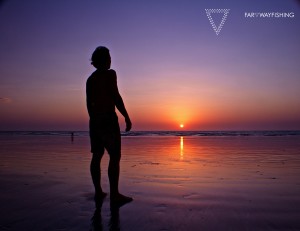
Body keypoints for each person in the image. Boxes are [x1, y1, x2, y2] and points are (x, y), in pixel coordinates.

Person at [86, 46, 133, 205]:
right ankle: (114, 194)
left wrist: (94, 121)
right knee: (114, 156)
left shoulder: (90, 79)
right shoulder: (110, 74)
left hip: (95, 121)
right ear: (104, 60)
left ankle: (98, 192)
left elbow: (88, 104)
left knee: (97, 155)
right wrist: (126, 116)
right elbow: (116, 96)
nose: (111, 60)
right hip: (108, 120)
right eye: (109, 57)